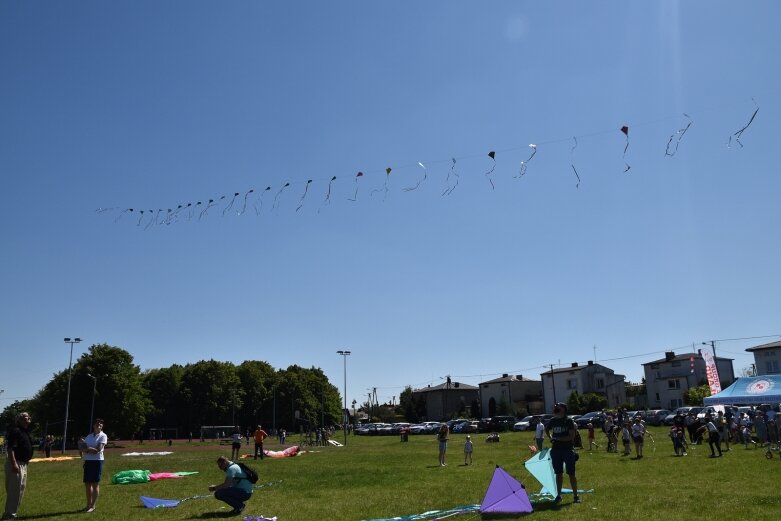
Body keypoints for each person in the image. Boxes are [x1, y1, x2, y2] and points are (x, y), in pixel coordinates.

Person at [545, 402, 580, 504]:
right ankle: (558, 495)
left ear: (563, 409)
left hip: (567, 450)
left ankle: (576, 496)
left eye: (558, 407)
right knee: (558, 474)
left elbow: (571, 436)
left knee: (571, 474)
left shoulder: (568, 421)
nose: (555, 408)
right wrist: (551, 438)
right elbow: (547, 430)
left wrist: (557, 438)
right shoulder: (553, 420)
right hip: (556, 450)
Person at [3, 412, 33, 520]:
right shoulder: (16, 431)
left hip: (23, 464)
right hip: (16, 463)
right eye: (26, 416)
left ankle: (13, 513)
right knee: (14, 490)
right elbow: (10, 449)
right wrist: (14, 463)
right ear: (20, 420)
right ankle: (9, 514)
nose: (29, 417)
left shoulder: (25, 431)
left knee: (20, 490)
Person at [81, 418, 107, 513]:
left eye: (101, 424)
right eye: (97, 423)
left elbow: (98, 449)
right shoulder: (89, 436)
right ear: (94, 425)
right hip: (88, 461)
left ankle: (93, 505)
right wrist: (87, 448)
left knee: (95, 483)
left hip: (97, 461)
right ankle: (88, 505)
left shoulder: (103, 436)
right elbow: (82, 448)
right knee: (87, 484)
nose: (99, 424)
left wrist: (87, 449)